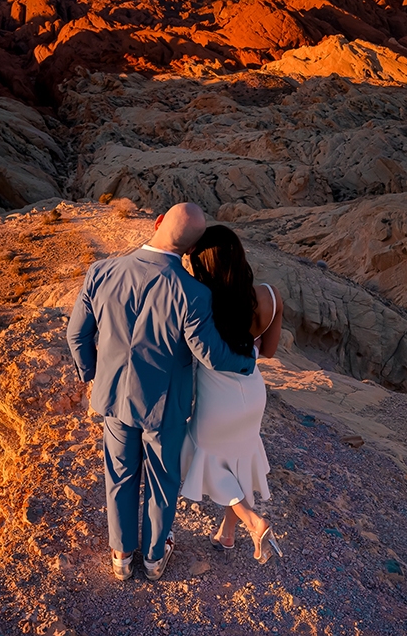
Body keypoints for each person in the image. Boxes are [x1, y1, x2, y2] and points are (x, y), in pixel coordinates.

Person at [66, 203, 256, 582]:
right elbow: (209, 354)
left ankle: (121, 556)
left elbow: (77, 335)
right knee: (161, 479)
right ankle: (154, 558)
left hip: (114, 401)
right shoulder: (193, 293)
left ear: (157, 223)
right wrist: (246, 361)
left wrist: (94, 374)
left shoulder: (101, 271)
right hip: (163, 406)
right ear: (190, 249)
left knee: (119, 476)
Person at [179, 224, 285, 564]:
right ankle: (227, 534)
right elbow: (268, 352)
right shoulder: (269, 296)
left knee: (203, 455)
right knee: (240, 458)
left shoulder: (202, 299)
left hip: (216, 395)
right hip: (252, 391)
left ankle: (254, 521)